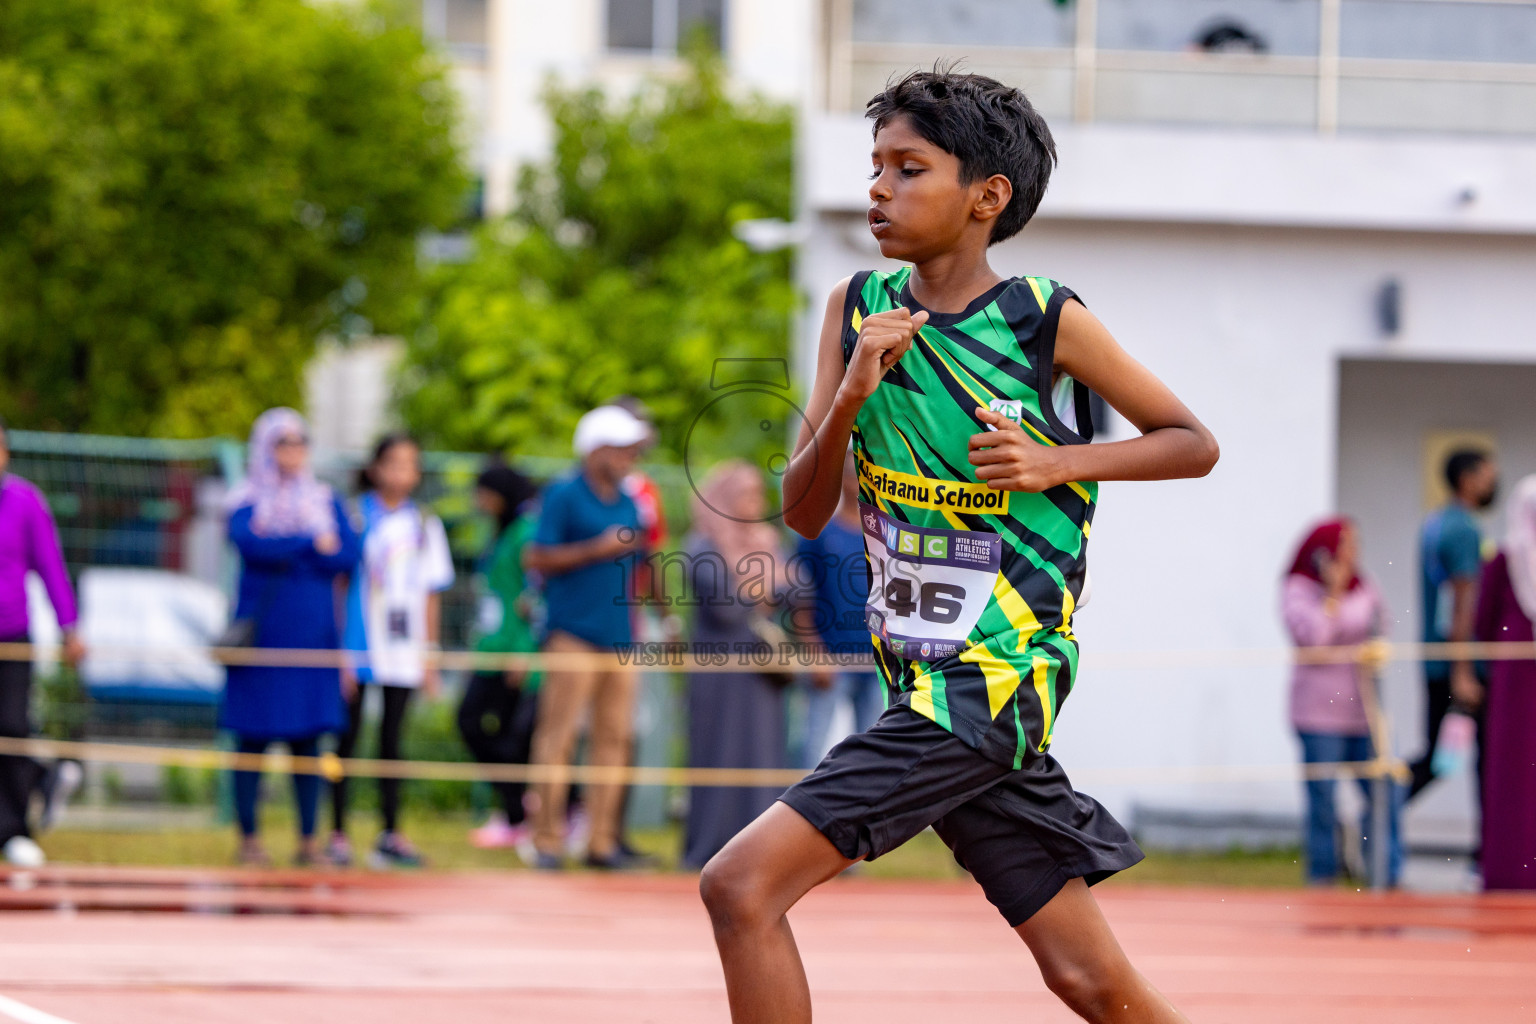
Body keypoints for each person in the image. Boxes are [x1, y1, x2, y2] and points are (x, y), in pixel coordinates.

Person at [698, 68, 1219, 1024]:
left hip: (992, 679)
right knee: (1087, 980)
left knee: (739, 888)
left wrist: (1058, 463)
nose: (878, 190)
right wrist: (851, 392)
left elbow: (1194, 443)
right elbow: (804, 512)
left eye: (909, 169)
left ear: (987, 197)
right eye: (876, 168)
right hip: (923, 682)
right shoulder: (857, 308)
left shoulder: (1042, 316)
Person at [222, 408, 359, 867]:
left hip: (313, 639)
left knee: (308, 742)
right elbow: (248, 542)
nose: (293, 453)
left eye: (300, 443)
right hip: (263, 641)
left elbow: (347, 555)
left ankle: (307, 839)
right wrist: (306, 545)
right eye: (282, 443)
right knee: (251, 741)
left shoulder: (324, 498)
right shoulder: (246, 499)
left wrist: (291, 547)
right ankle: (248, 838)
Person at [522, 405, 651, 870]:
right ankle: (546, 840)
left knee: (613, 739)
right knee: (558, 738)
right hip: (572, 634)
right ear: (595, 448)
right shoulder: (563, 494)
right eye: (620, 449)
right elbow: (535, 556)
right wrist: (596, 549)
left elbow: (645, 563)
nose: (628, 457)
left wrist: (663, 618)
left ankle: (600, 842)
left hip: (620, 636)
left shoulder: (628, 500)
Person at [331, 434, 455, 869]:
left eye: (410, 464)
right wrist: (341, 649)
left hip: (403, 650)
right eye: (394, 463)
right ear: (377, 468)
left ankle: (390, 833)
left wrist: (429, 654)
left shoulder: (423, 523)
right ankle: (338, 832)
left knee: (392, 741)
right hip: (360, 645)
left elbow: (431, 593)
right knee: (345, 740)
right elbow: (340, 584)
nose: (402, 473)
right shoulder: (354, 516)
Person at [681, 461, 791, 870]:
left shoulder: (767, 540)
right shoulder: (702, 545)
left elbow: (796, 589)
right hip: (719, 674)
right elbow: (725, 608)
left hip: (763, 677)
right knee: (719, 758)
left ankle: (758, 852)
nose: (755, 503)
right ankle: (711, 849)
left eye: (758, 493)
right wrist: (767, 587)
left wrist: (761, 587)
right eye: (745, 494)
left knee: (761, 758)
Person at [1281, 519, 1401, 887]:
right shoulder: (1299, 589)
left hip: (1362, 710)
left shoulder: (1363, 585)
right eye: (1346, 543)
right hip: (1318, 714)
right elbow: (1314, 639)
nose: (1353, 552)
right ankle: (1323, 878)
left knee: (1384, 793)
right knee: (1324, 800)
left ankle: (1385, 873)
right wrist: (1332, 594)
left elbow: (1382, 624)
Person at [0, 416, 85, 868]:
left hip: (11, 637)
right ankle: (47, 779)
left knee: (11, 729)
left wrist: (70, 627)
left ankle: (15, 831)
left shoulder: (24, 502)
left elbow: (50, 566)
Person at [457, 460, 541, 851]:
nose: (479, 500)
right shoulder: (500, 530)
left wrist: (524, 652)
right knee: (479, 725)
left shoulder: (526, 532)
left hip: (511, 650)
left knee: (497, 730)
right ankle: (517, 805)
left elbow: (534, 598)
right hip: (490, 646)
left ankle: (520, 812)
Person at [1409, 449, 1498, 802]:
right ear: (1467, 478)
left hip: (1438, 659)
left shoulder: (1437, 522)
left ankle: (1377, 815)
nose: (1492, 482)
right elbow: (1462, 602)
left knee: (1439, 757)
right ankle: (1377, 812)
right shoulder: (1464, 529)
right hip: (1460, 665)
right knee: (1458, 760)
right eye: (1487, 474)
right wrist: (1463, 671)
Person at [793, 449, 881, 770]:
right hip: (830, 662)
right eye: (850, 473)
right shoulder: (818, 536)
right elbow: (799, 602)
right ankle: (795, 815)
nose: (856, 480)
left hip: (877, 664)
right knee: (811, 746)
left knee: (873, 753)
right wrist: (815, 654)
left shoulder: (885, 536)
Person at [1472, 475, 1536, 890]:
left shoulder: (1504, 559)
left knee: (1513, 775)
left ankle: (1510, 871)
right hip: (1516, 681)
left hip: (1515, 681)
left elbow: (1483, 622)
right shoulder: (1504, 560)